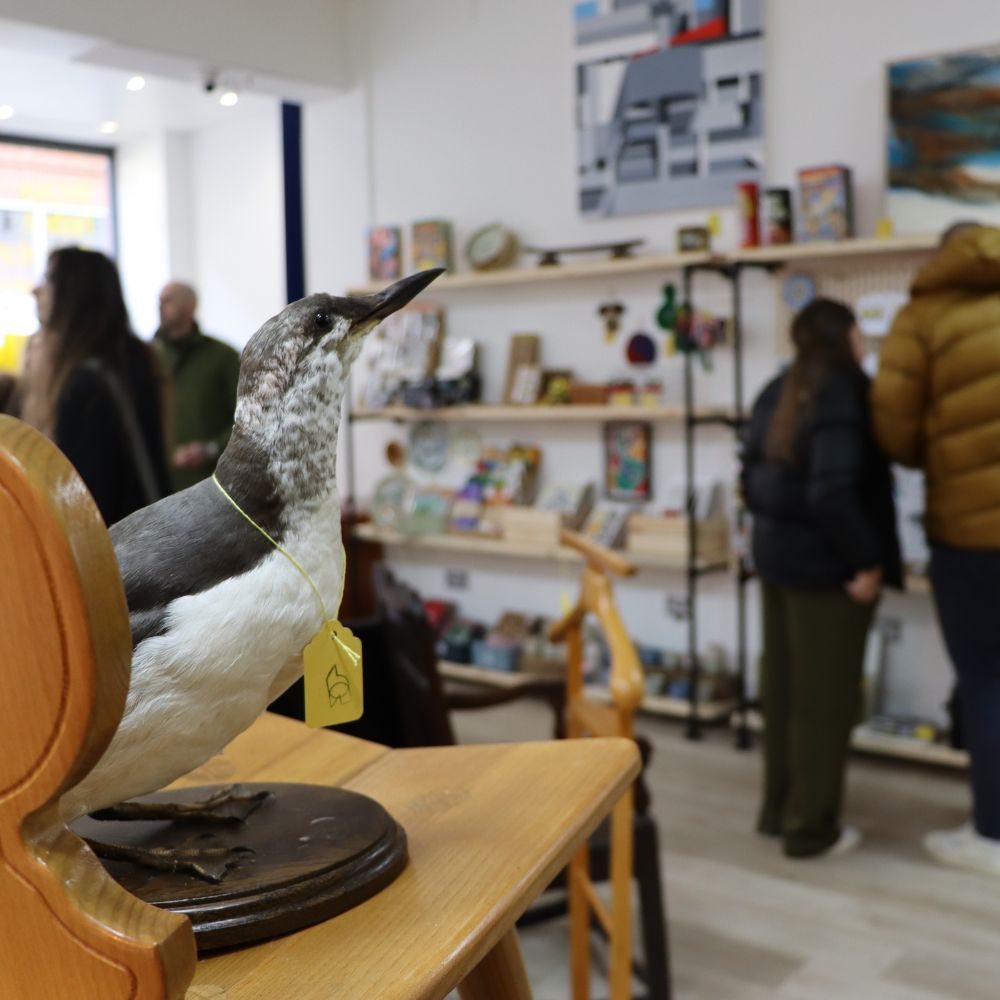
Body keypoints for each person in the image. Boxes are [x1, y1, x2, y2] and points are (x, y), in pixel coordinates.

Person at [742, 298, 901, 859]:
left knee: (784, 696)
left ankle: (778, 811)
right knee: (824, 704)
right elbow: (832, 492)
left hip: (776, 561)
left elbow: (749, 478)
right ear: (848, 336)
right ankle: (810, 829)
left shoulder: (776, 388)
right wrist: (866, 561)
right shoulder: (842, 392)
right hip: (828, 572)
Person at [872, 222, 1000, 876]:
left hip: (970, 536)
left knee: (985, 679)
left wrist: (942, 454)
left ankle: (992, 834)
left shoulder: (924, 315)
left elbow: (893, 429)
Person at [22, 246, 171, 525]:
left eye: (49, 279)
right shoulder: (130, 360)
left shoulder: (87, 385)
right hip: (143, 533)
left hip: (113, 543)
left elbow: (87, 502)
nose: (36, 290)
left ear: (74, 293)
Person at [154, 281, 241, 492]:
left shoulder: (223, 357)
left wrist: (210, 448)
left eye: (169, 300)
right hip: (159, 486)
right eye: (160, 301)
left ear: (189, 306)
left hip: (211, 483)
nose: (160, 306)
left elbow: (244, 416)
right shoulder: (147, 358)